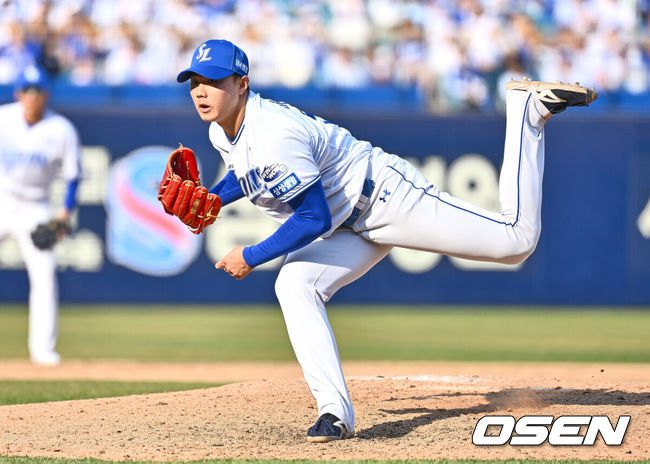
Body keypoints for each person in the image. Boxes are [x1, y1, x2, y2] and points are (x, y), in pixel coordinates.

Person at [173, 39, 596, 442]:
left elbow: (312, 217)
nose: (201, 92)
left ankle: (526, 112)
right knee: (294, 285)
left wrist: (251, 255)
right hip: (347, 225)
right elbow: (248, 173)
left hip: (385, 199)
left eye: (213, 81)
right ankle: (334, 413)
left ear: (242, 84)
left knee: (516, 240)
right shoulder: (221, 132)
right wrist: (214, 197)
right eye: (195, 82)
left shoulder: (274, 132)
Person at [0, 66, 82, 366]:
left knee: (44, 275)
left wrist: (64, 214)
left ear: (46, 94)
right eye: (28, 90)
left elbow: (73, 176)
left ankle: (43, 350)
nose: (33, 96)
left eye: (38, 91)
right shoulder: (3, 118)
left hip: (36, 206)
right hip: (2, 199)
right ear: (18, 93)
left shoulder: (61, 129)